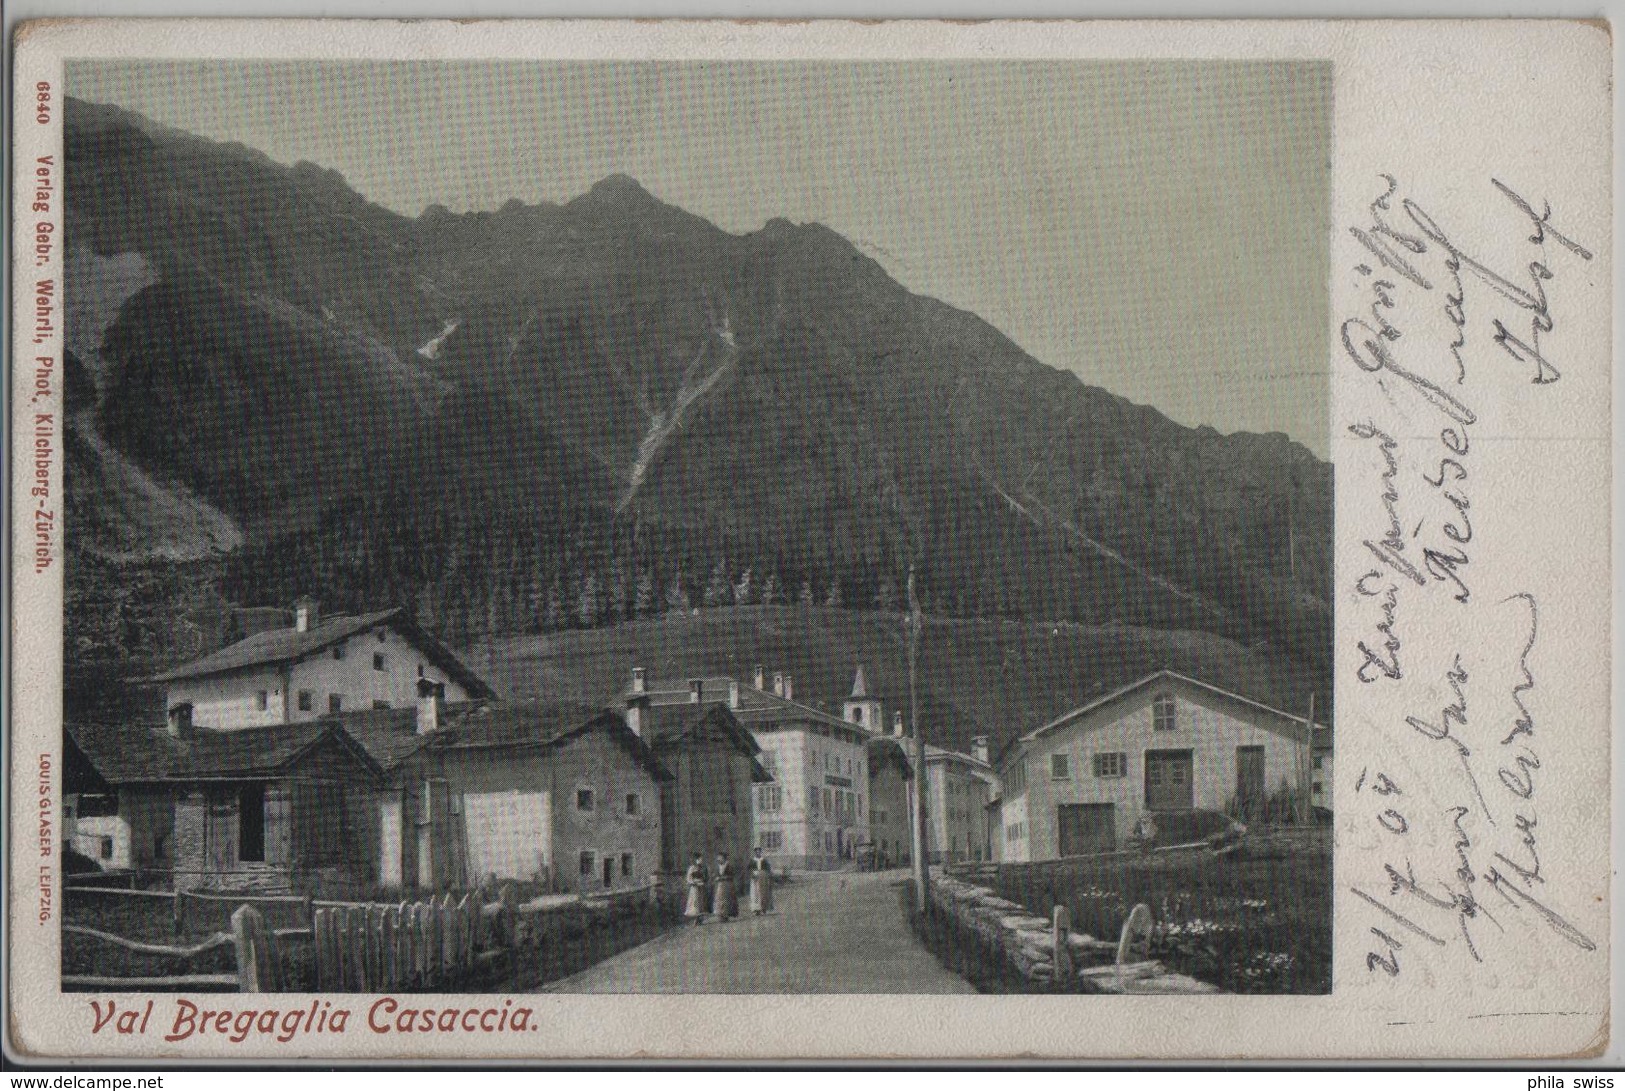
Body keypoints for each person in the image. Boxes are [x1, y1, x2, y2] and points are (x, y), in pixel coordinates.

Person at [711, 851, 738, 921]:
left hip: (727, 884)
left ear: (724, 858)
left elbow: (731, 875)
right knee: (719, 899)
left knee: (727, 899)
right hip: (719, 885)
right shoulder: (718, 866)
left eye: (720, 858)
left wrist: (722, 878)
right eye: (718, 858)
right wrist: (715, 877)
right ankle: (721, 914)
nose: (719, 859)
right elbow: (715, 874)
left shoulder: (728, 865)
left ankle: (726, 914)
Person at [684, 853, 709, 925]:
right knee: (695, 902)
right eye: (699, 859)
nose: (701, 861)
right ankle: (696, 919)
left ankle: (699, 919)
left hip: (701, 887)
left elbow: (706, 877)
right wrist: (693, 882)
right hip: (694, 887)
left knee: (701, 902)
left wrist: (703, 881)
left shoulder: (703, 868)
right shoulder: (692, 868)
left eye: (701, 859)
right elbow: (688, 878)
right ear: (696, 860)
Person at [748, 846, 774, 915]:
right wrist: (752, 874)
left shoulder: (764, 860)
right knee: (755, 893)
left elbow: (768, 869)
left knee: (763, 892)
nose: (758, 853)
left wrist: (768, 875)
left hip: (763, 878)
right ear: (755, 852)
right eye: (756, 851)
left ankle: (763, 908)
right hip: (755, 878)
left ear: (761, 852)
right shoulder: (752, 860)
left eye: (759, 851)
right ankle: (756, 909)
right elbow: (749, 869)